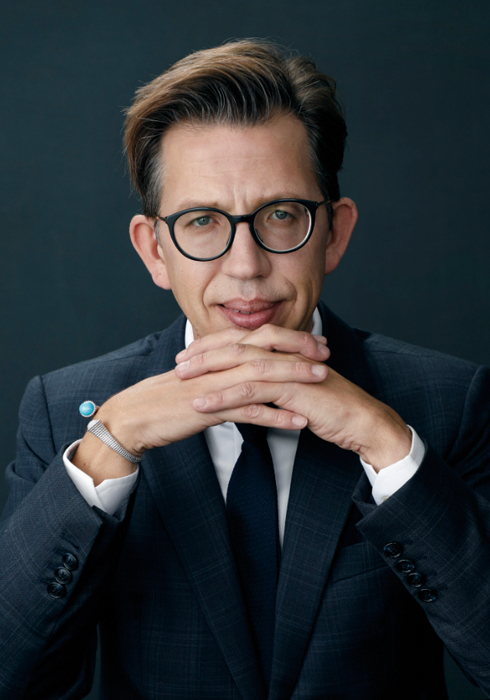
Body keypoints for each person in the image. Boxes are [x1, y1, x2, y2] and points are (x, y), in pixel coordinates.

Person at [1, 39, 489, 700]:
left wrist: (388, 447)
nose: (245, 267)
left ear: (335, 233)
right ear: (154, 251)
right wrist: (109, 449)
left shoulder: (451, 402)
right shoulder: (66, 411)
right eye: (202, 221)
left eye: (281, 215)